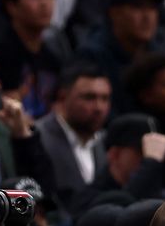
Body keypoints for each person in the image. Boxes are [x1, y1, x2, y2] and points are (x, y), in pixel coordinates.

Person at [35, 63, 110, 217]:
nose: (99, 107)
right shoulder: (38, 137)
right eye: (89, 98)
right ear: (63, 97)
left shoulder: (104, 140)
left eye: (105, 98)